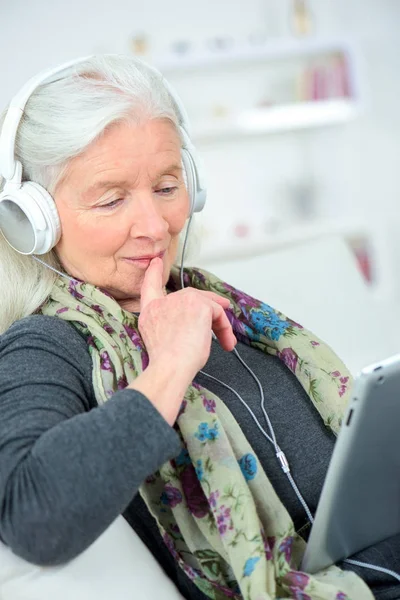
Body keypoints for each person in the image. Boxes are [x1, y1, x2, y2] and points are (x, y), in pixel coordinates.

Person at [0, 54, 398, 600]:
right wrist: (170, 364)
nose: (155, 225)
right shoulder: (45, 347)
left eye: (166, 187)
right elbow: (34, 516)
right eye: (112, 199)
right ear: (33, 220)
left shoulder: (216, 301)